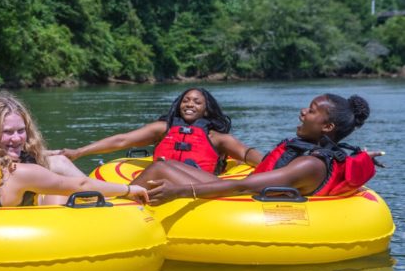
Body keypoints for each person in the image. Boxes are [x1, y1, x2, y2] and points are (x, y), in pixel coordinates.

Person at [132, 94, 384, 205]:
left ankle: (127, 207)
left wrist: (179, 191)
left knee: (162, 172)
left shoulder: (311, 164)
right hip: (243, 193)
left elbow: (243, 186)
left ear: (327, 126)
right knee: (161, 166)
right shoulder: (317, 152)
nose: (303, 112)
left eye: (312, 110)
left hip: (244, 201)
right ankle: (129, 198)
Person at [0, 92, 148, 207]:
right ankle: (104, 206)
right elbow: (81, 186)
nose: (17, 138)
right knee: (60, 185)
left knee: (58, 163)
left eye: (21, 130)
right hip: (27, 242)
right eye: (7, 132)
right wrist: (129, 189)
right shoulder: (21, 172)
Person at [59, 88, 263, 174]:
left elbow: (246, 153)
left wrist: (273, 168)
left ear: (206, 109)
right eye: (186, 100)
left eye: (197, 102)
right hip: (161, 181)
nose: (190, 104)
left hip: (197, 185)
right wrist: (79, 152)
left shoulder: (217, 138)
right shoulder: (163, 129)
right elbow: (122, 140)